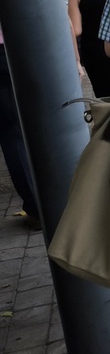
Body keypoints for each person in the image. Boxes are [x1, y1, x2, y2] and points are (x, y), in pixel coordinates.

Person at [0, 24, 39, 227]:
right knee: (17, 130)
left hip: (8, 51)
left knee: (11, 134)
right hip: (16, 46)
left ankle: (36, 208)